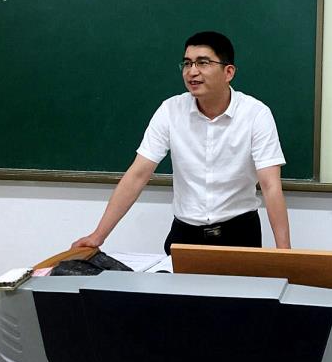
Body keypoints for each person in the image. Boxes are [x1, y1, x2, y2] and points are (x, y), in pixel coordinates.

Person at [72, 31, 291, 253]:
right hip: (185, 235)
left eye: (203, 63)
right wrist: (98, 236)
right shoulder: (170, 110)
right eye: (187, 63)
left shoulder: (256, 114)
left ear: (228, 72)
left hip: (239, 233)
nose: (192, 71)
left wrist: (284, 253)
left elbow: (270, 185)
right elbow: (138, 175)